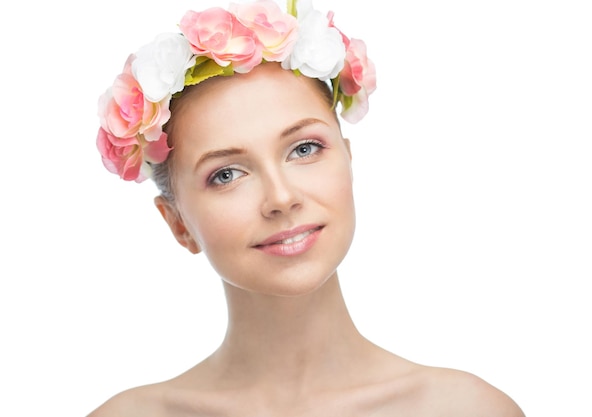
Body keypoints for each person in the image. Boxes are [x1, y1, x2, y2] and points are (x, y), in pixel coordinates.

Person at [90, 0, 525, 415]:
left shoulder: (469, 410)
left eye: (304, 148)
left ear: (348, 161)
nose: (281, 198)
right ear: (178, 224)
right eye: (226, 174)